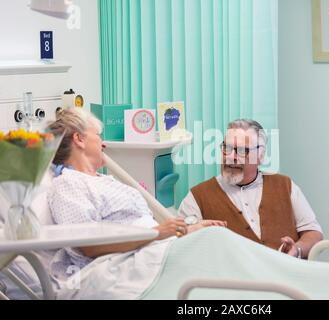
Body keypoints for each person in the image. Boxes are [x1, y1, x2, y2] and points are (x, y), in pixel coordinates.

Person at [45, 108, 226, 287]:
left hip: (150, 252)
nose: (104, 143)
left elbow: (145, 227)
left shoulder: (104, 180)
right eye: (99, 135)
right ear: (79, 139)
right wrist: (157, 233)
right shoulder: (68, 184)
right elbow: (87, 247)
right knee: (220, 262)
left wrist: (185, 231)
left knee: (217, 241)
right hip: (125, 267)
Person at [179, 119, 323, 259]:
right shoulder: (197, 197)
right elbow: (179, 244)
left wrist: (297, 250)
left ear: (260, 156)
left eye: (242, 151)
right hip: (233, 282)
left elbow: (313, 233)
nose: (231, 157)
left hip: (286, 278)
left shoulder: (285, 185)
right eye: (227, 148)